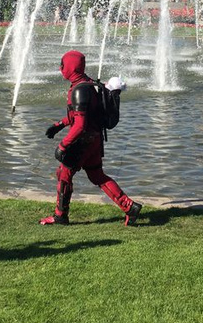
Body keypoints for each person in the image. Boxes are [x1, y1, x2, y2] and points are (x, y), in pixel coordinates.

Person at [40, 50, 142, 226]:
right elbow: (82, 116)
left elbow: (79, 124)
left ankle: (60, 216)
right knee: (97, 175)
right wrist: (59, 125)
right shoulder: (89, 84)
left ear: (71, 67)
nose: (61, 68)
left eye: (63, 65)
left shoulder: (79, 90)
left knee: (64, 174)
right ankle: (129, 207)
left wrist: (63, 145)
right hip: (94, 140)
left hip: (83, 142)